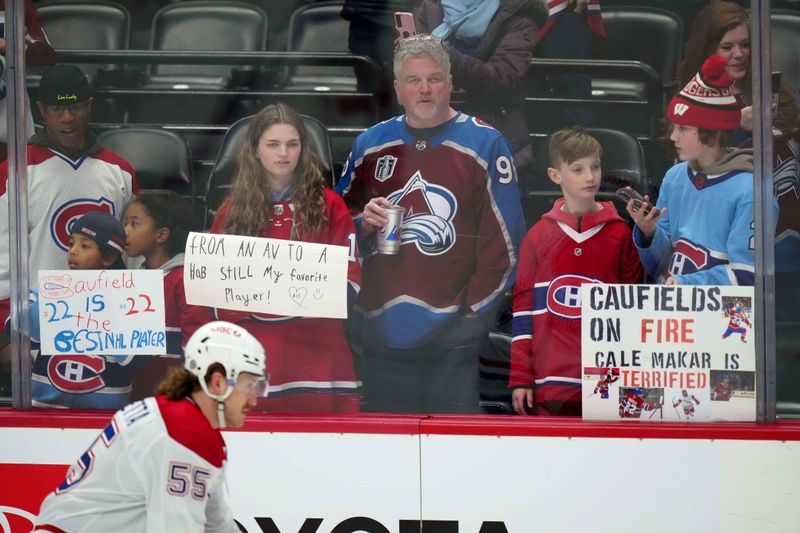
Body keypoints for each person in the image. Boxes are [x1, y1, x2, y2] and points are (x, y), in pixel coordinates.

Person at [336, 35, 526, 414]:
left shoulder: (485, 143)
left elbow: (505, 243)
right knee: (388, 456)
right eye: (414, 80)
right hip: (381, 333)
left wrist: (471, 315)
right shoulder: (370, 144)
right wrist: (362, 224)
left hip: (452, 336)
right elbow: (333, 228)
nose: (425, 89)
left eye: (434, 79)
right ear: (398, 89)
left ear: (451, 84)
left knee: (453, 454)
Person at [34, 320, 267, 532]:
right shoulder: (184, 434)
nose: (254, 400)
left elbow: (217, 524)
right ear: (218, 382)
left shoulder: (177, 420)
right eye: (249, 386)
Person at [211, 103, 361, 413]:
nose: (284, 153)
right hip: (253, 356)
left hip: (317, 356)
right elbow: (215, 292)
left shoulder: (331, 206)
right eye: (273, 144)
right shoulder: (230, 212)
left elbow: (349, 281)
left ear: (303, 149)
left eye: (293, 144)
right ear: (255, 150)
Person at [508, 126, 642, 416]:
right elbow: (522, 313)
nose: (590, 177)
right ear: (555, 175)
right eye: (578, 169)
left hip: (606, 383)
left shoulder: (620, 234)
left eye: (595, 167)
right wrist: (521, 377)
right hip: (549, 384)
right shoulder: (537, 237)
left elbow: (633, 315)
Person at [677, 1, 800, 300]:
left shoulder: (779, 96)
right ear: (709, 50)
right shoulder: (689, 102)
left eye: (745, 45)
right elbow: (693, 171)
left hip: (786, 249)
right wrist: (734, 123)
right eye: (727, 46)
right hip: (721, 259)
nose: (739, 54)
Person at [0, 64, 138, 329]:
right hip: (36, 327)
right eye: (56, 109)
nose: (67, 117)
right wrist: (8, 333)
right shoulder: (13, 173)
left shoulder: (121, 172)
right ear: (41, 109)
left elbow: (134, 257)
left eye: (75, 107)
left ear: (89, 106)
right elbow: (2, 262)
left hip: (105, 324)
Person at [628, 55, 777, 286]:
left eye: (683, 128)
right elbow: (659, 264)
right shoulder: (675, 176)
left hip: (722, 319)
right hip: (668, 313)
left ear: (712, 132)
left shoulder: (752, 193)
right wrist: (650, 232)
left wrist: (687, 285)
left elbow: (748, 278)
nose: (672, 136)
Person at [413, 0, 548, 187]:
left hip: (492, 132)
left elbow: (502, 76)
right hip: (433, 129)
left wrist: (445, 58)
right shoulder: (432, 7)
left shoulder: (519, 13)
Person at [27, 210, 138, 409]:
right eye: (71, 244)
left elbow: (136, 361)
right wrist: (48, 303)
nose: (73, 251)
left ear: (109, 257)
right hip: (44, 411)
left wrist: (107, 316)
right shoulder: (46, 292)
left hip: (108, 415)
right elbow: (18, 329)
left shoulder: (130, 302)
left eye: (85, 246)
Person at [123, 191, 213, 400]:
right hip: (137, 395)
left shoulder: (185, 280)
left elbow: (196, 345)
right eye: (125, 223)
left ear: (161, 235)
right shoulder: (131, 281)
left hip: (176, 397)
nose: (125, 231)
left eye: (134, 224)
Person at [0, 0, 58, 161]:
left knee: (9, 179)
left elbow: (47, 56)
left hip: (8, 121)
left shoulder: (19, 5)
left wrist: (12, 44)